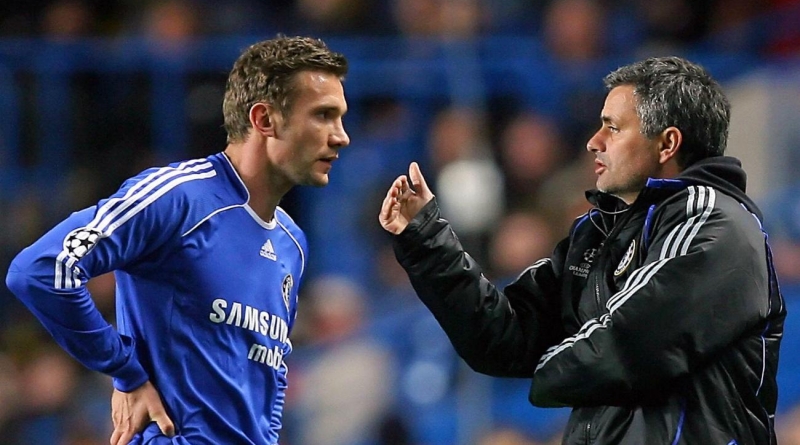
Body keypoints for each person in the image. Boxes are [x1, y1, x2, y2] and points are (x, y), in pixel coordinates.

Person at [378, 56, 785, 444]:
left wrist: (541, 375)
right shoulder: (597, 234)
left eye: (613, 128)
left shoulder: (715, 224)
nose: (593, 142)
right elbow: (503, 338)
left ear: (667, 144)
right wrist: (427, 240)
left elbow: (626, 344)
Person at [6, 35, 350, 444]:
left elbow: (267, 381)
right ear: (264, 119)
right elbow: (42, 269)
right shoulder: (178, 199)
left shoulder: (292, 242)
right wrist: (125, 371)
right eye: (323, 115)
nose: (341, 136)